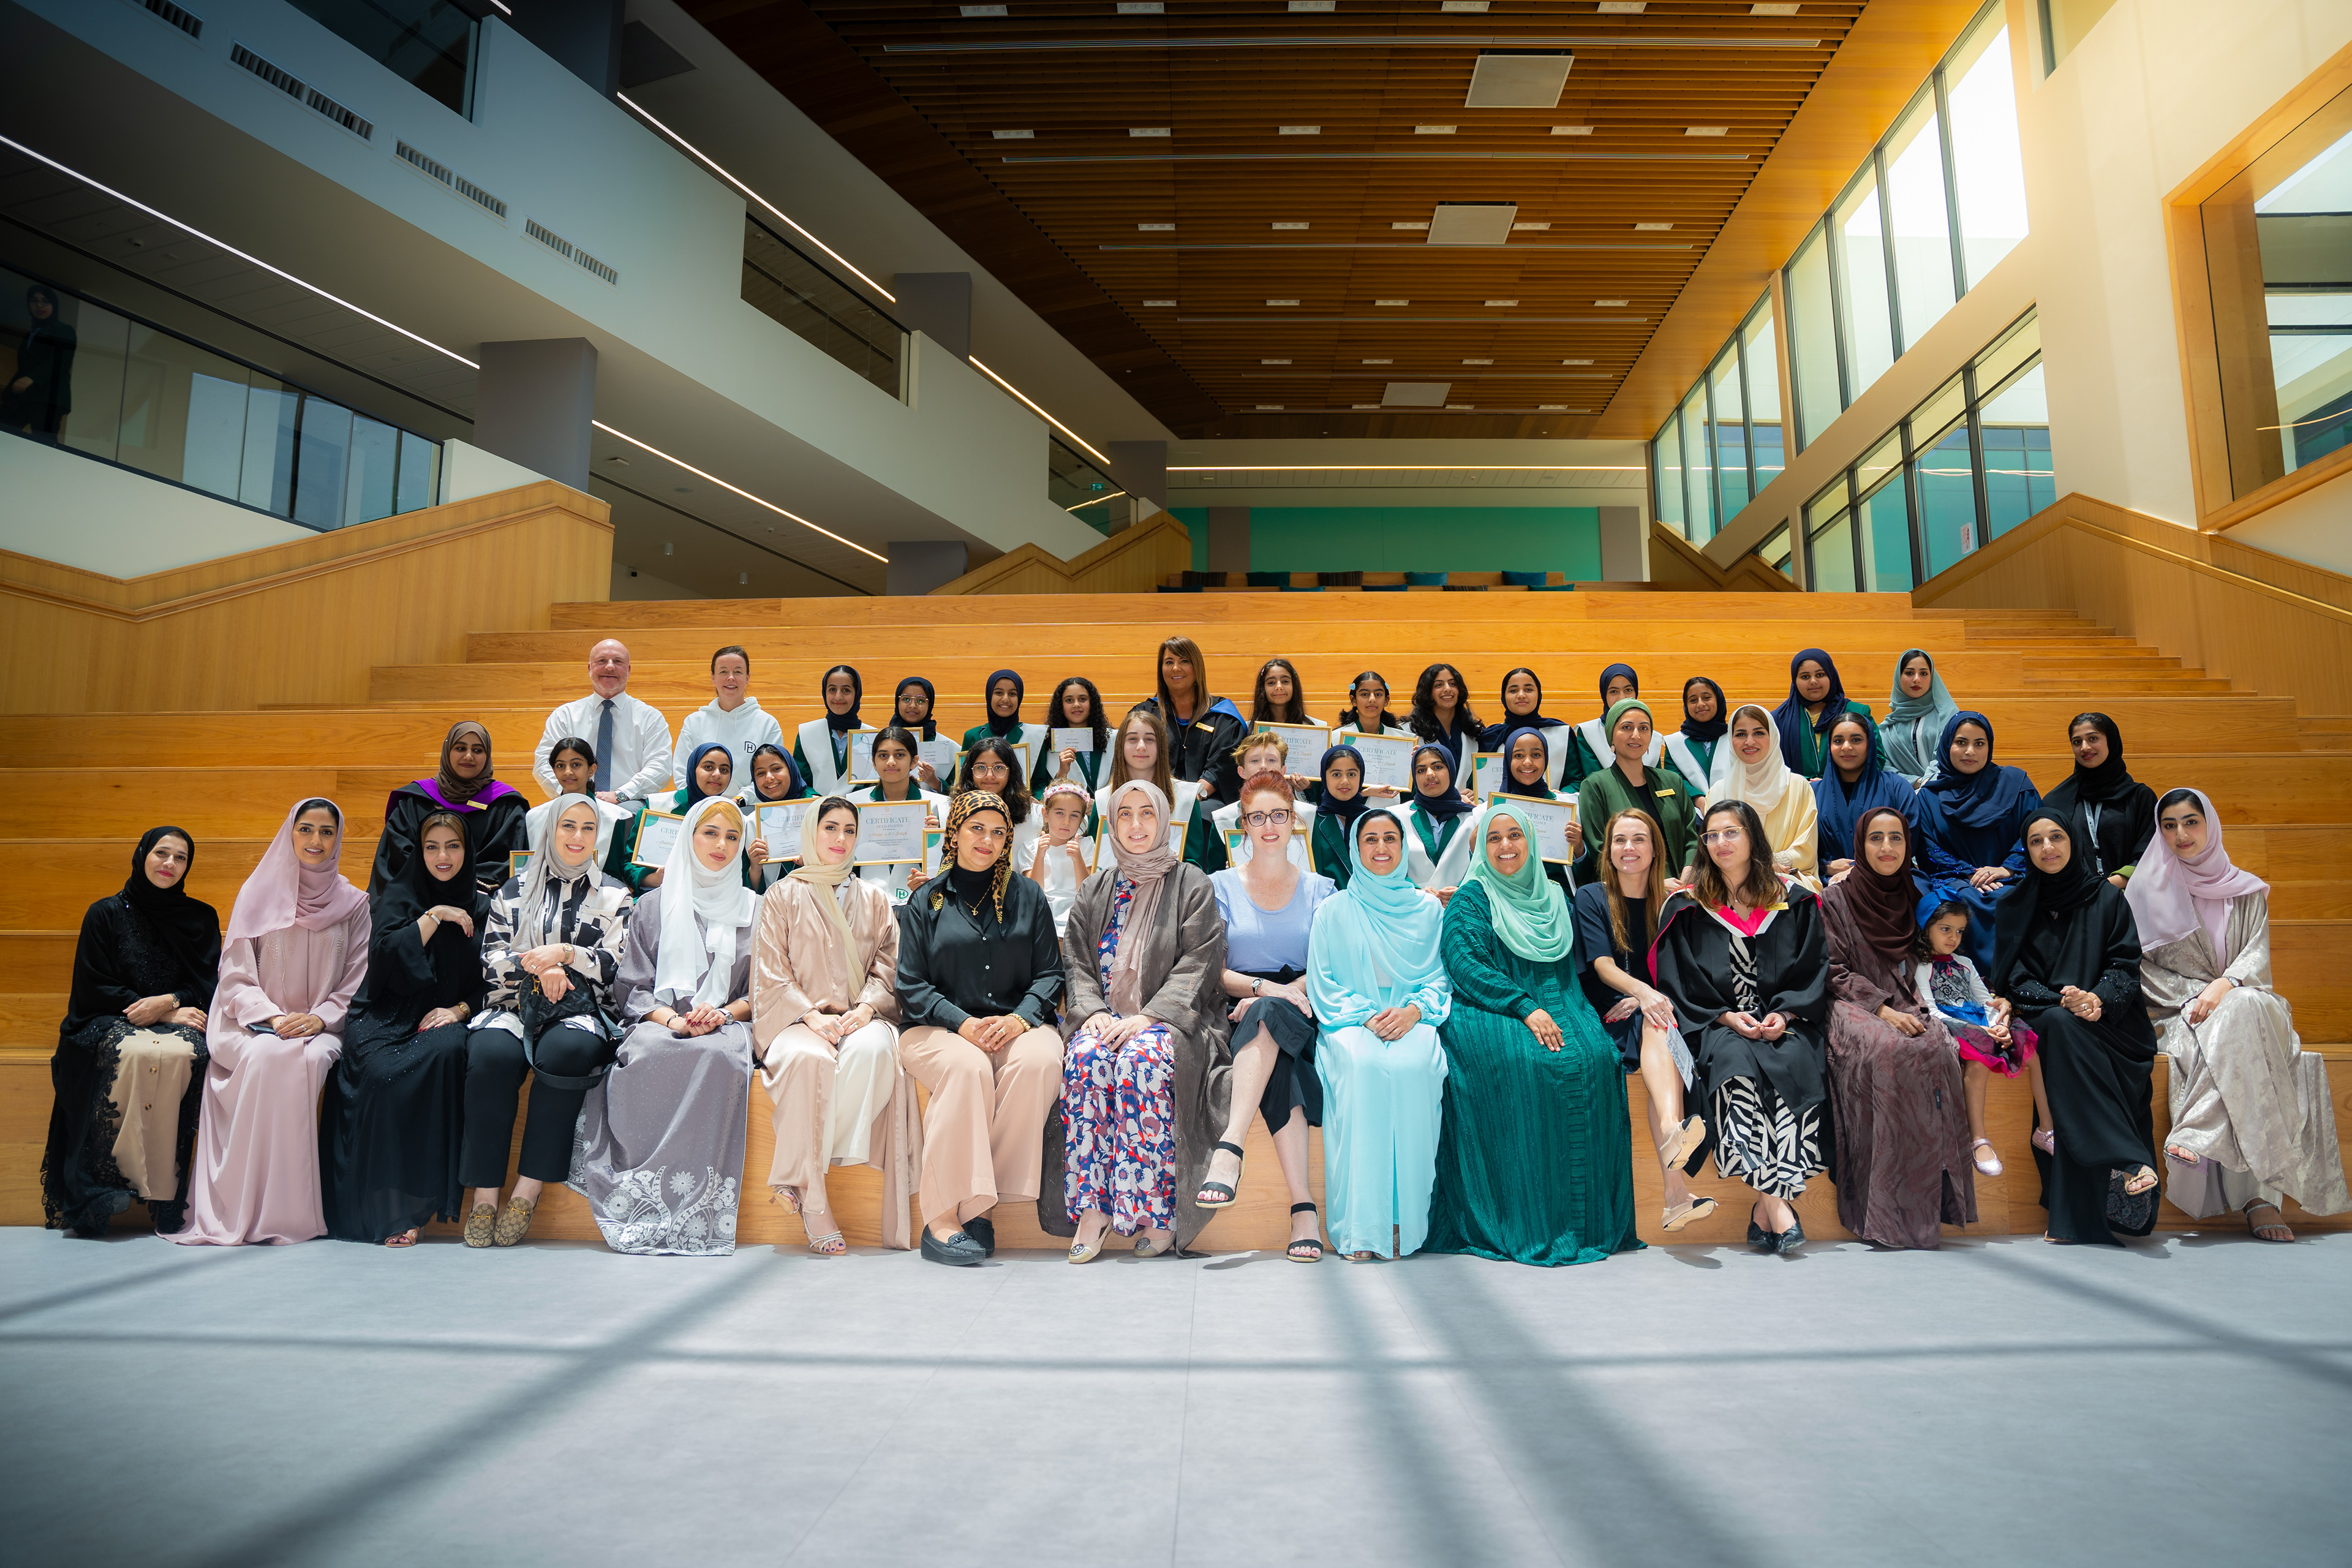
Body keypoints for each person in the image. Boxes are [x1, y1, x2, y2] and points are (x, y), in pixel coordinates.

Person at [1427, 801, 1640, 1267]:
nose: (1505, 846)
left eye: (1515, 835)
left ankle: (1588, 1223)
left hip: (1560, 1003)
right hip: (1489, 1007)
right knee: (1531, 1063)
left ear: (1531, 841)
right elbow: (1465, 965)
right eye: (1494, 838)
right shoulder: (1471, 898)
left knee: (1598, 1058)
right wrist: (1525, 1007)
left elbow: (1576, 971)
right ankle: (1527, 1218)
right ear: (1481, 848)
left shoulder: (1554, 897)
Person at [2130, 788, 2350, 1238]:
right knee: (2240, 1026)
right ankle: (2259, 1199)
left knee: (2246, 1006)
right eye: (2169, 826)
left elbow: (2256, 958)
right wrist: (2201, 994)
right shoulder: (2146, 892)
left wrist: (2226, 985)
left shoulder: (2246, 890)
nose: (2181, 834)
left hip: (2250, 999)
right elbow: (2139, 967)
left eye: (2191, 822)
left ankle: (2197, 1132)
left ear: (2210, 824)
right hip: (2179, 1011)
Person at [1046, 780, 1231, 1261]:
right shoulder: (1096, 887)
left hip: (1170, 1022)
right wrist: (1092, 1012)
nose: (1135, 824)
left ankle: (1157, 1212)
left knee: (1141, 1062)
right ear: (1111, 823)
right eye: (1124, 814)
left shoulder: (1192, 883)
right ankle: (1094, 1209)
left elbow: (1200, 962)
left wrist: (1150, 1017)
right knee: (1085, 1060)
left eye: (1146, 813)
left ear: (1165, 820)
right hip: (1104, 1018)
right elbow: (1077, 962)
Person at [174, 799, 371, 1246]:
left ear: (338, 838)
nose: (316, 840)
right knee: (267, 1055)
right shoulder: (257, 893)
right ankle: (244, 1203)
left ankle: (288, 1211)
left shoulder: (355, 904)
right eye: (306, 829)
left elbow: (358, 977)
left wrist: (319, 1018)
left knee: (306, 1061)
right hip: (252, 1023)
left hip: (324, 1028)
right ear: (290, 833)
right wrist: (274, 1017)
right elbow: (236, 975)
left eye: (326, 831)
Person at [571, 796, 758, 1255]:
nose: (721, 845)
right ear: (689, 837)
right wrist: (674, 1019)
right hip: (662, 1018)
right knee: (649, 1052)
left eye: (732, 836)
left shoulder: (755, 909)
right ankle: (639, 1192)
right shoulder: (653, 906)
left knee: (716, 1056)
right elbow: (634, 985)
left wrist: (721, 1014)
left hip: (727, 1022)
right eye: (710, 833)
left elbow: (764, 989)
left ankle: (694, 1206)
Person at [895, 791, 1068, 1265]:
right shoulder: (926, 899)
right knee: (968, 1067)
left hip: (1016, 1025)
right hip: (937, 1029)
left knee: (1042, 1060)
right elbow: (910, 985)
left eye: (998, 832)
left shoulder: (1028, 896)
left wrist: (1019, 1019)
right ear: (954, 833)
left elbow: (1050, 974)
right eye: (976, 828)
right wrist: (963, 1023)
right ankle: (941, 1219)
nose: (987, 840)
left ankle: (980, 1205)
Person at [1653, 799, 1830, 1254]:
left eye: (1731, 832)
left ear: (1753, 837)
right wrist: (1726, 1016)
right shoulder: (1688, 906)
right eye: (1711, 835)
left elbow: (1813, 968)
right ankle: (1778, 1207)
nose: (1720, 843)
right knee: (1734, 1068)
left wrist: (1785, 1014)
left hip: (1783, 1021)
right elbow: (1679, 980)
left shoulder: (1794, 899)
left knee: (1796, 1061)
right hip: (1718, 1023)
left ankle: (1763, 1211)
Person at [459, 795, 634, 1249]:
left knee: (567, 1053)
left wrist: (566, 954)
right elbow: (491, 959)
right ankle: (484, 1192)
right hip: (513, 1007)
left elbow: (617, 964)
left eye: (588, 828)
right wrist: (540, 967)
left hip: (581, 1011)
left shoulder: (615, 895)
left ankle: (528, 1188)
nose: (578, 837)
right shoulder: (512, 890)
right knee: (489, 1057)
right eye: (568, 826)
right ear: (551, 830)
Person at [752, 797, 919, 1255]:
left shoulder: (874, 898)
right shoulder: (782, 894)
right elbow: (770, 970)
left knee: (874, 1052)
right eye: (830, 828)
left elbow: (890, 965)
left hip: (862, 1015)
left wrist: (865, 1009)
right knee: (809, 1058)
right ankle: (815, 1202)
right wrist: (809, 1014)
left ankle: (799, 1173)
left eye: (849, 830)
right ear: (812, 832)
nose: (841, 839)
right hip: (797, 1018)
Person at [1993, 807, 2162, 1245]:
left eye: (2056, 837)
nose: (2047, 847)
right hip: (2047, 1013)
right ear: (2026, 850)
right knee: (2059, 1025)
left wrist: (2096, 1000)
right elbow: (2012, 978)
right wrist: (2064, 1001)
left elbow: (2124, 966)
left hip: (2111, 1021)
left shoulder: (2107, 899)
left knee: (2065, 1036)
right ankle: (2128, 1158)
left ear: (2073, 841)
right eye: (2036, 841)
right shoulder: (2017, 903)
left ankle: (2070, 1221)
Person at [42, 827, 219, 1237]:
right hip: (108, 1015)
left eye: (180, 858)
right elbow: (93, 985)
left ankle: (163, 1190)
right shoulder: (104, 914)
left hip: (178, 1017)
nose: (170, 864)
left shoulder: (200, 918)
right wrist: (153, 1009)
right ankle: (103, 1186)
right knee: (134, 1052)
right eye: (162, 853)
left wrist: (169, 1003)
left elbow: (209, 983)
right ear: (142, 855)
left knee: (182, 1054)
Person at [320, 811, 484, 1246]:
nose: (443, 856)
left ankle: (414, 1208)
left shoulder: (485, 906)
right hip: (386, 1014)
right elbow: (385, 962)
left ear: (467, 851)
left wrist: (461, 1010)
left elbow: (493, 978)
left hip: (443, 1015)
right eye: (432, 847)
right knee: (378, 1075)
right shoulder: (398, 896)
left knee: (446, 1054)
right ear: (420, 852)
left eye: (453, 846)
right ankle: (374, 1207)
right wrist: (434, 915)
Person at [1819, 807, 1977, 1249]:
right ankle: (1883, 1212)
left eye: (1896, 838)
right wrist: (1882, 1009)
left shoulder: (1917, 893)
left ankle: (1931, 1206)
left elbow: (1938, 953)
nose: (1887, 847)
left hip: (1911, 997)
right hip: (1851, 1003)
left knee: (1938, 1047)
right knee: (1890, 1051)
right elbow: (1832, 969)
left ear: (1908, 844)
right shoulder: (1836, 899)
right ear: (1860, 845)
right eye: (1876, 838)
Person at [1200, 771, 1338, 1261]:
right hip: (1238, 1006)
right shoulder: (1219, 885)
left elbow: (1327, 968)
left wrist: (1279, 992)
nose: (1269, 826)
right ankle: (1304, 1209)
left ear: (1294, 819)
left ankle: (1230, 1148)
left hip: (1303, 1003)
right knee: (1281, 1066)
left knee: (1271, 1012)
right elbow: (1214, 970)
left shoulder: (1322, 889)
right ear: (1243, 825)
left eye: (1278, 815)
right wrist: (1261, 990)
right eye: (1257, 817)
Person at [1307, 808, 1452, 1261]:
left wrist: (1414, 1011)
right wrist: (1366, 1015)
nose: (1382, 848)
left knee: (1415, 1069)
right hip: (1352, 1021)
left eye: (1391, 838)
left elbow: (1441, 976)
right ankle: (1362, 1226)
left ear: (1404, 847)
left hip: (1413, 1018)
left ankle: (1404, 1221)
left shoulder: (1428, 910)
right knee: (1363, 1067)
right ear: (1355, 848)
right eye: (1370, 839)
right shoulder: (1333, 910)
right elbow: (1322, 982)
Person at [1572, 809, 1714, 1232]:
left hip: (1656, 1010)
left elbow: (1682, 971)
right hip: (1610, 1012)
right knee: (1659, 1019)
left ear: (1655, 850)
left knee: (1660, 1020)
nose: (1629, 848)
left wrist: (1647, 998)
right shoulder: (1592, 897)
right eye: (1619, 840)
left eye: (1639, 840)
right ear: (1608, 851)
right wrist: (1643, 994)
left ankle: (1675, 1191)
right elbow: (1602, 966)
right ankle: (1673, 1154)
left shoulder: (1673, 902)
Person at [1916, 898, 2043, 1176]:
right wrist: (1981, 1031)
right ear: (1926, 928)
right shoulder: (1920, 965)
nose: (1953, 938)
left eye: (1960, 931)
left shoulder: (1965, 963)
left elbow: (1987, 1001)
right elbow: (1931, 1010)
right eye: (1945, 929)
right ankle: (1979, 1140)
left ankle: (2046, 1128)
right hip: (1953, 1026)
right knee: (1978, 1061)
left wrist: (1999, 1025)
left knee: (2031, 1050)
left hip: (1982, 1023)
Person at [1911, 712, 2041, 973]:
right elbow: (1928, 847)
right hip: (1956, 880)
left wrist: (2008, 869)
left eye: (1979, 743)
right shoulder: (1928, 797)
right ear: (1947, 746)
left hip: (2012, 877)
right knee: (1962, 903)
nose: (1970, 751)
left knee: (2011, 898)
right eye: (1961, 742)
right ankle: (1975, 982)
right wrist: (1972, 874)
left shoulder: (2016, 784)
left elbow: (2035, 833)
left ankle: (2019, 982)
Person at [371, 719, 528, 899]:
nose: (468, 756)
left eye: (478, 750)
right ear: (447, 751)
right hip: (418, 899)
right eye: (460, 748)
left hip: (482, 900)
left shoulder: (507, 805)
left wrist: (465, 890)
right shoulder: (413, 801)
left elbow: (510, 862)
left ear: (488, 756)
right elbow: (398, 853)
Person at [1136, 635, 1249, 862]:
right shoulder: (1146, 714)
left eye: (1184, 661)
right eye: (1169, 662)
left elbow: (1223, 765)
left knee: (1204, 816)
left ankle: (1201, 876)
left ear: (1197, 667)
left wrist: (1192, 797)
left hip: (1205, 799)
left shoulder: (1223, 716)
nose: (1176, 668)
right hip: (1153, 795)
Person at [1575, 699, 1698, 888]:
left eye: (1644, 728)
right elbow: (1600, 851)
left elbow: (1691, 836)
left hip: (1681, 889)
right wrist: (1653, 885)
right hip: (1629, 893)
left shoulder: (1672, 781)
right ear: (1612, 736)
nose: (1636, 735)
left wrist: (1689, 871)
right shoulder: (1595, 786)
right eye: (1627, 727)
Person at [533, 639, 674, 802]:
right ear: (590, 668)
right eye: (602, 661)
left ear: (628, 670)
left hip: (630, 802)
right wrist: (573, 794)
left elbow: (660, 767)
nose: (610, 667)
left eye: (618, 661)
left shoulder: (651, 717)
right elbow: (544, 763)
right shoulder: (564, 715)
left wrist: (620, 795)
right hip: (572, 800)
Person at [2041, 713, 2157, 886]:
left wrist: (2105, 889)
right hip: (2075, 896)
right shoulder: (2056, 801)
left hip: (2131, 894)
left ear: (2111, 740)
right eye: (2077, 742)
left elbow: (2150, 854)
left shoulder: (2140, 796)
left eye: (2093, 738)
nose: (2085, 747)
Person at [1716, 705, 1822, 890]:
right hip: (1731, 886)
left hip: (1787, 884)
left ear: (1773, 737)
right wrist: (1756, 866)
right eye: (1741, 734)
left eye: (1759, 733)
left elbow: (1806, 852)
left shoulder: (1798, 786)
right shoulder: (1718, 792)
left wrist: (1765, 864)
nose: (1749, 741)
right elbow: (1714, 850)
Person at [614, 741, 737, 894]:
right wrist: (653, 879)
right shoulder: (658, 806)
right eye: (708, 767)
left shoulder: (733, 816)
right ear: (693, 769)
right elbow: (629, 863)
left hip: (714, 898)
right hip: (658, 896)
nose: (717, 774)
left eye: (724, 770)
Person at [1814, 714, 1916, 881]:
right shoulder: (1812, 793)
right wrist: (1826, 866)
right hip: (1827, 881)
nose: (1847, 747)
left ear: (1870, 744)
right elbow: (1803, 848)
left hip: (1889, 879)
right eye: (1838, 741)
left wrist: (1858, 870)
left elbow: (1910, 841)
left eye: (1856, 740)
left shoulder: (1896, 788)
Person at [672, 645, 786, 794]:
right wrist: (704, 802)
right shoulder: (694, 723)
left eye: (738, 672)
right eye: (723, 671)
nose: (731, 677)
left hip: (748, 804)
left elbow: (772, 776)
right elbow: (682, 773)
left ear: (747, 678)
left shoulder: (767, 724)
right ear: (713, 677)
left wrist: (741, 800)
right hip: (702, 804)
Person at [1208, 732, 1314, 870]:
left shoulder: (1309, 814)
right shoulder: (1222, 819)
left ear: (1283, 770)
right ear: (1242, 772)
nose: (1263, 766)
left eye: (1271, 760)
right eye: (1255, 761)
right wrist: (1228, 874)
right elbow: (1214, 874)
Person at [1096, 706, 1194, 854]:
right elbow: (1095, 860)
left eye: (1149, 739)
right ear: (1120, 746)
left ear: (1161, 746)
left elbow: (1193, 861)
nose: (1141, 747)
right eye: (1133, 739)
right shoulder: (1102, 799)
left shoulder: (1187, 798)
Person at [533, 736, 635, 875]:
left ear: (591, 770)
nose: (568, 772)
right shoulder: (534, 817)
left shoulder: (618, 817)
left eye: (576, 765)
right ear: (554, 771)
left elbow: (619, 871)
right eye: (561, 766)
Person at [1773, 649, 1872, 778]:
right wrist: (1802, 783)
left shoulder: (1858, 712)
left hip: (1848, 789)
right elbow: (1770, 762)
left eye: (1820, 675)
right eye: (1805, 677)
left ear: (1831, 676)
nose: (1813, 681)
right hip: (1795, 789)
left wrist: (1834, 783)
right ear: (1795, 681)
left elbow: (1876, 757)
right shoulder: (1778, 718)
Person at [1400, 743, 1478, 900]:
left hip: (1464, 907)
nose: (1430, 774)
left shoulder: (1476, 817)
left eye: (1438, 767)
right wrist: (1414, 891)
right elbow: (1387, 866)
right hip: (1412, 906)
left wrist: (1465, 891)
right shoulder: (1396, 816)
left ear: (1451, 770)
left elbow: (1486, 867)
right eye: (1421, 770)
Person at [1564, 663, 1662, 786]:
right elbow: (1594, 780)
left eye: (1628, 690)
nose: (1622, 698)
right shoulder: (1588, 732)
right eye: (1614, 692)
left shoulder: (1654, 736)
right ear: (1604, 695)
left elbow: (1658, 781)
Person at [1479, 666, 1573, 793]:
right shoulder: (1490, 737)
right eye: (1513, 690)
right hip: (1500, 805)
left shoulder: (1562, 733)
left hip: (1552, 804)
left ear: (1539, 695)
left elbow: (1575, 782)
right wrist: (1472, 791)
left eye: (1528, 690)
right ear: (1504, 697)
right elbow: (1477, 783)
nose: (1521, 695)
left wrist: (1561, 795)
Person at [2, 282, 75, 439]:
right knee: (5, 429)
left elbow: (61, 359)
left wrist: (31, 378)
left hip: (48, 397)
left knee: (45, 442)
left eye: (46, 301)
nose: (39, 305)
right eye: (34, 301)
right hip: (24, 396)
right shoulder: (31, 334)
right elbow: (24, 367)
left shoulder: (63, 329)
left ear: (54, 305)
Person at [955, 736, 1038, 872]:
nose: (989, 775)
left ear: (1011, 772)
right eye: (981, 767)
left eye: (999, 768)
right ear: (970, 772)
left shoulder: (1034, 816)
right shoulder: (953, 811)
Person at [1027, 780, 1096, 935]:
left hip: (1078, 914)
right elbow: (1033, 891)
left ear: (1082, 819)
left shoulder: (1086, 845)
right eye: (1060, 813)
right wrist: (1040, 856)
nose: (1066, 822)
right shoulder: (1031, 847)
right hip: (1043, 914)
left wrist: (1077, 859)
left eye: (1074, 815)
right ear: (1046, 815)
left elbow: (1087, 891)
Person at [737, 742, 808, 893]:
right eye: (761, 773)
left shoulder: (817, 808)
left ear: (791, 769)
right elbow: (751, 891)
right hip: (770, 903)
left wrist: (813, 864)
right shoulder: (752, 822)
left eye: (776, 769)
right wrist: (756, 866)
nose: (769, 778)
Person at [1880, 649, 1958, 784]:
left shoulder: (1949, 715)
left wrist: (1928, 783)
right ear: (1898, 677)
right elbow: (1884, 767)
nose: (1917, 679)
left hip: (1945, 788)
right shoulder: (1888, 728)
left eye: (1924, 673)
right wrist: (1915, 782)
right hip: (1904, 793)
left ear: (1932, 678)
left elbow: (1951, 754)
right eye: (1909, 673)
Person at [793, 664, 865, 798]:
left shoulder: (871, 736)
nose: (838, 696)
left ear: (857, 694)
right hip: (816, 807)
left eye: (846, 690)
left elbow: (874, 784)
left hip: (859, 808)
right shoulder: (806, 733)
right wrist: (815, 800)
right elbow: (800, 781)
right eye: (832, 690)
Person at [1036, 676, 1111, 794]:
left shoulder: (1111, 739)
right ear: (1061, 706)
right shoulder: (1047, 744)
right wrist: (1062, 773)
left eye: (1082, 699)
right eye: (1069, 700)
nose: (1076, 705)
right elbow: (1039, 789)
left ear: (1092, 703)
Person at [1310, 744, 1371, 889]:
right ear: (1324, 777)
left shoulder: (1373, 820)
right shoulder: (1312, 822)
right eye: (1336, 775)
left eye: (1352, 774)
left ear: (1361, 777)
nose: (1345, 781)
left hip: (1371, 900)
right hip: (1327, 901)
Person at [1408, 662, 1483, 779]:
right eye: (1439, 685)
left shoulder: (1475, 732)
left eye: (1453, 684)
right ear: (1428, 692)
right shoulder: (1408, 732)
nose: (1448, 689)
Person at [1663, 676, 1732, 801]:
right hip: (1692, 809)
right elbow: (1674, 778)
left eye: (1707, 698)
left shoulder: (1734, 738)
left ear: (1718, 700)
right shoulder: (1674, 743)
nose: (1700, 704)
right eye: (1693, 700)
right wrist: (1697, 798)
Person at [892, 676, 948, 792]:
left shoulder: (946, 746)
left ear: (930, 704)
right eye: (906, 699)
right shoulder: (882, 741)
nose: (913, 705)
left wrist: (935, 782)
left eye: (921, 701)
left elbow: (957, 792)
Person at [959, 668, 1031, 753]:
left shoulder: (1033, 736)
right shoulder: (972, 736)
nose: (1005, 699)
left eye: (1012, 694)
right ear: (989, 695)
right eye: (999, 693)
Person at [1333, 669, 1408, 739]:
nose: (1372, 699)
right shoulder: (1336, 738)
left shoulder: (1401, 739)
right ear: (1354, 700)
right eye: (1365, 694)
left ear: (1386, 700)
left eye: (1378, 694)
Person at [1251, 657, 1311, 726]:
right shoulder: (1249, 729)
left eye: (1285, 681)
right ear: (1263, 688)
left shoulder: (1315, 727)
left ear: (1294, 686)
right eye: (1271, 683)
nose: (1279, 687)